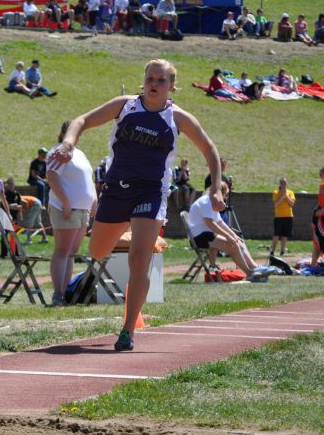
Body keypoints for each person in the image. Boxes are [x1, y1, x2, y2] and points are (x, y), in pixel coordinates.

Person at [51, 59, 224, 351]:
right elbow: (81, 121)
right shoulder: (125, 105)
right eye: (150, 78)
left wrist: (216, 187)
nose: (154, 84)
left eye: (161, 80)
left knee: (140, 256)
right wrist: (69, 143)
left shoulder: (178, 118)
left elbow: (209, 149)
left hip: (151, 192)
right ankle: (122, 227)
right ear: (143, 81)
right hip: (117, 189)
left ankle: (127, 330)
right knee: (98, 250)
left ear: (171, 86)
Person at [47, 120, 96, 306]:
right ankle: (58, 294)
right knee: (62, 250)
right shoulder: (58, 152)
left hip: (82, 209)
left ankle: (65, 290)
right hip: (66, 209)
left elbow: (88, 179)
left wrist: (94, 200)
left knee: (71, 252)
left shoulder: (80, 154)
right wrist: (66, 203)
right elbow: (52, 177)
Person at [187, 182, 272, 281]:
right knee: (233, 246)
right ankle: (250, 274)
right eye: (225, 195)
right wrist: (228, 236)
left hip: (206, 235)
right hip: (199, 238)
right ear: (220, 193)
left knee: (238, 242)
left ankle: (255, 267)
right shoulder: (206, 202)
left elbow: (220, 222)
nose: (225, 198)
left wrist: (233, 235)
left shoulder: (211, 201)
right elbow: (211, 223)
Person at [270, 178, 295, 257]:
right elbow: (276, 204)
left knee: (285, 235)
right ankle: (272, 251)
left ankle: (282, 251)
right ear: (279, 184)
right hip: (279, 217)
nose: (283, 184)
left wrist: (286, 196)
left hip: (288, 216)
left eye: (284, 183)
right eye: (281, 183)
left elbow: (292, 203)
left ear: (286, 184)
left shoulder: (290, 192)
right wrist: (282, 196)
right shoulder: (275, 192)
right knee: (276, 234)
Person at [312, 167, 324, 267]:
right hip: (320, 218)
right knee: (317, 241)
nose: (320, 176)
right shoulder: (322, 186)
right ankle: (313, 265)